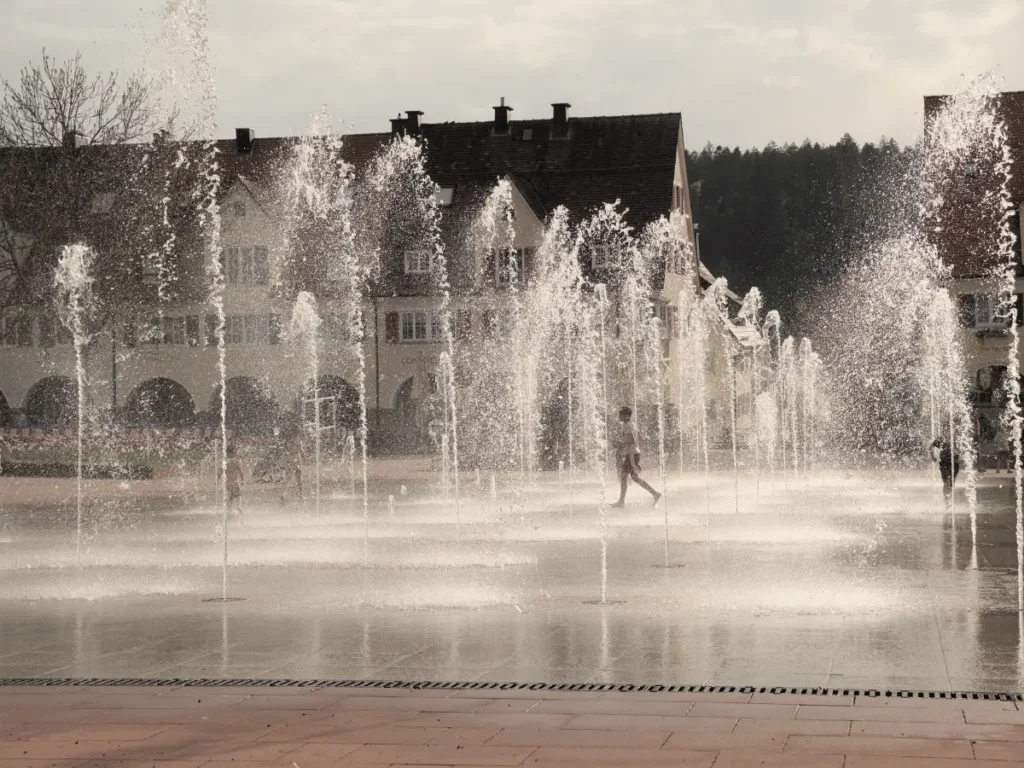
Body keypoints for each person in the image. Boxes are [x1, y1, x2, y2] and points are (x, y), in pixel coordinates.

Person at [610, 406, 661, 508]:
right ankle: (654, 493)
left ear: (626, 416)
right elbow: (640, 437)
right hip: (635, 453)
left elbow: (631, 442)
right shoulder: (632, 424)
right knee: (630, 477)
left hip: (632, 454)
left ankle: (622, 501)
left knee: (627, 477)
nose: (619, 416)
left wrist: (619, 443)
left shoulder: (626, 426)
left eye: (621, 415)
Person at [220, 445, 245, 514]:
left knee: (230, 495)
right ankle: (238, 506)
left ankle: (229, 509)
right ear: (235, 453)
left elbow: (220, 471)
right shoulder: (237, 462)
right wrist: (242, 480)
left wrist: (217, 478)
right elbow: (241, 472)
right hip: (235, 482)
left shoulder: (225, 462)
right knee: (238, 494)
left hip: (227, 482)